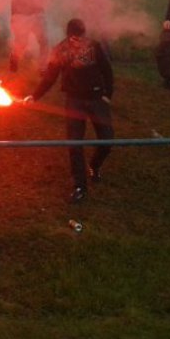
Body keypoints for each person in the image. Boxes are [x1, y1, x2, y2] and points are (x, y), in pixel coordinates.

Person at [25, 18, 114, 203]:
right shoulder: (60, 50)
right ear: (68, 36)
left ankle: (94, 166)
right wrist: (34, 96)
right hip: (74, 101)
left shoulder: (94, 46)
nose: (77, 41)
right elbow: (50, 77)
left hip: (97, 98)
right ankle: (79, 186)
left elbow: (107, 70)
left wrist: (108, 95)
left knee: (107, 140)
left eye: (80, 36)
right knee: (75, 144)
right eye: (74, 37)